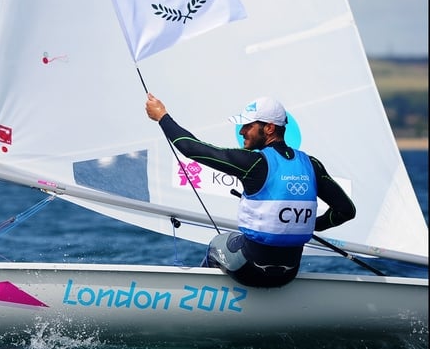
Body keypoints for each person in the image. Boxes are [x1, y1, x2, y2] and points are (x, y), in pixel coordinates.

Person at [145, 93, 356, 288]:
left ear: (269, 129)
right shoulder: (311, 165)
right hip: (288, 274)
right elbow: (346, 211)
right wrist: (312, 225)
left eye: (247, 125)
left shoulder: (254, 163)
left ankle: (202, 301)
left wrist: (162, 116)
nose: (241, 131)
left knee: (216, 244)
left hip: (250, 270)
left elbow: (190, 147)